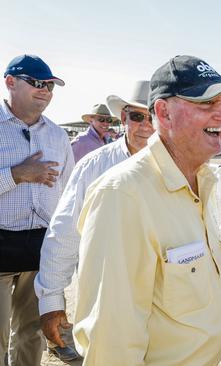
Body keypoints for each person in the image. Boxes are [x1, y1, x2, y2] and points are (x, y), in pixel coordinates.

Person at [72, 55, 221, 364]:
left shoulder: (203, 179)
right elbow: (112, 341)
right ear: (164, 114)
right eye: (207, 104)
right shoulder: (123, 194)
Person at [33, 80, 154, 361]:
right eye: (137, 116)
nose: (146, 126)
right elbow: (64, 231)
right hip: (106, 295)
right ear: (123, 118)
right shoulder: (94, 165)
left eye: (153, 117)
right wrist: (51, 300)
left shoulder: (182, 167)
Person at [0, 54, 73, 366]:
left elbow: (69, 193)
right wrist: (18, 174)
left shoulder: (58, 135)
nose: (45, 90)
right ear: (10, 82)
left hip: (41, 249)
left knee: (32, 334)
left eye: (50, 86)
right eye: (37, 83)